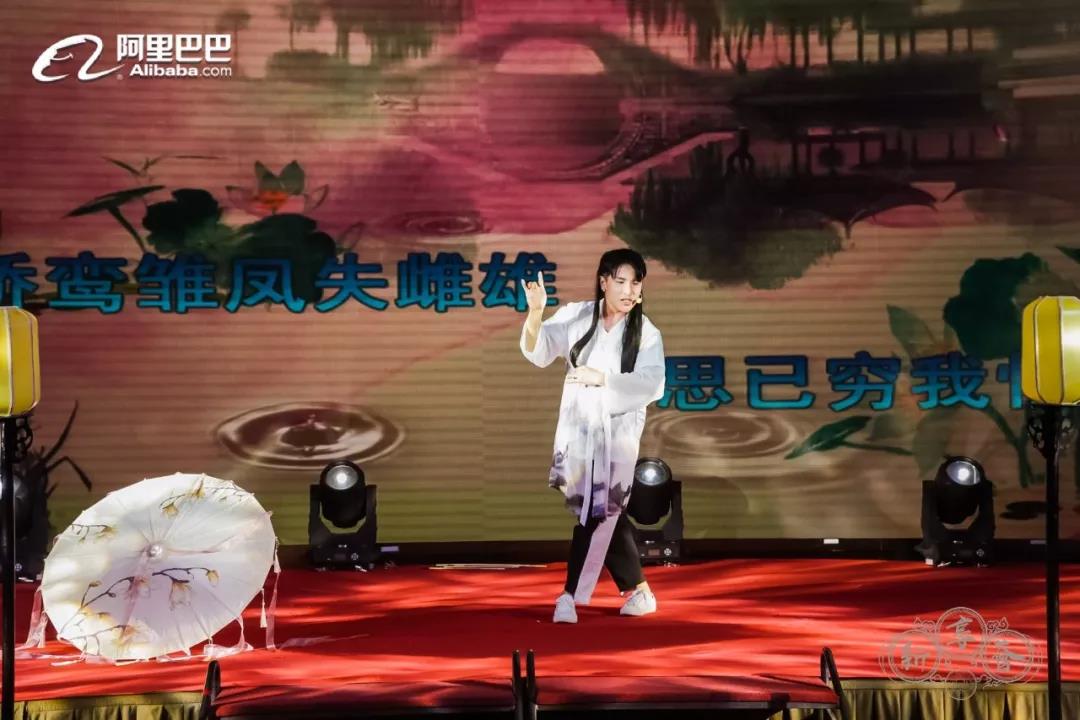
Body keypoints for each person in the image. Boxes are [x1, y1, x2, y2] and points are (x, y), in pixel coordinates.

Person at [519, 248, 666, 624]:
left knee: (599, 509)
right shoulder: (577, 315)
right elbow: (538, 350)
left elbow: (652, 383)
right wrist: (535, 313)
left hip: (617, 433)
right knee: (603, 509)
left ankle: (570, 595)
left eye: (636, 283)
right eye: (621, 281)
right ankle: (640, 590)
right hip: (578, 429)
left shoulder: (646, 332)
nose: (629, 290)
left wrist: (602, 379)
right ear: (603, 282)